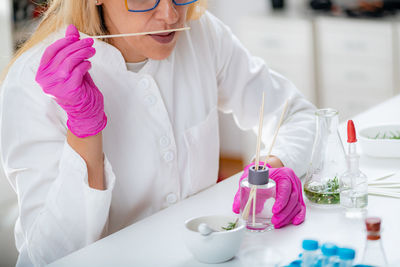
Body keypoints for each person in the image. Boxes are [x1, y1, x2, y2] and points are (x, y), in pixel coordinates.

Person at [0, 0, 316, 265]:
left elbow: (299, 115)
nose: (169, 14)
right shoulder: (34, 83)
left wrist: (277, 163)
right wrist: (84, 132)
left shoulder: (201, 33)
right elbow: (48, 257)